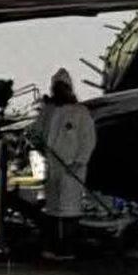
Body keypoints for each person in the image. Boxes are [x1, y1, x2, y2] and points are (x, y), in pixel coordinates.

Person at [31, 68, 97, 260]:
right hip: (53, 167)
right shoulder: (48, 111)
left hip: (72, 168)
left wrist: (79, 161)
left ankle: (68, 249)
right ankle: (51, 247)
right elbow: (37, 134)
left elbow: (88, 140)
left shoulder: (80, 113)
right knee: (52, 209)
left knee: (70, 209)